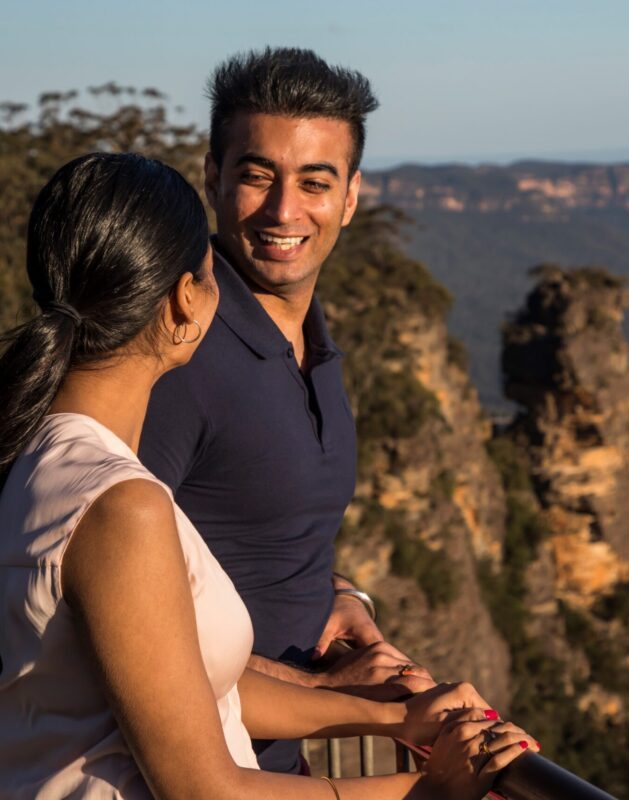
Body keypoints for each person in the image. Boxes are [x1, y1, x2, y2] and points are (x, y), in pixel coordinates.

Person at [0, 152, 536, 799]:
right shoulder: (121, 506)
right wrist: (425, 792)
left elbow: (187, 690)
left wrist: (391, 717)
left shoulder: (39, 457)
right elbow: (207, 790)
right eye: (209, 273)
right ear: (182, 304)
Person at [139, 48, 437, 774]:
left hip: (279, 767)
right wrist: (331, 691)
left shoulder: (314, 345)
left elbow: (253, 529)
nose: (283, 211)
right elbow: (115, 621)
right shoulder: (180, 352)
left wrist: (340, 595)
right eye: (256, 175)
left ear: (351, 196)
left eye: (314, 181)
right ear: (212, 178)